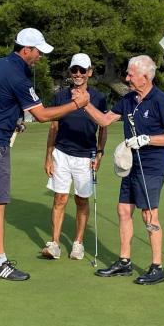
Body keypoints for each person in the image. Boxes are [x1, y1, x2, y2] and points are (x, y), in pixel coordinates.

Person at [0, 28, 90, 281]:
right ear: (26, 50)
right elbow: (41, 115)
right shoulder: (18, 76)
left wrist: (12, 117)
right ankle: (0, 263)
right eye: (38, 51)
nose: (40, 56)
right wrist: (76, 105)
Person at [83, 55, 164, 285]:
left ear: (145, 77)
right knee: (122, 210)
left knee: (149, 215)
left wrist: (147, 139)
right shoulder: (128, 99)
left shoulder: (160, 100)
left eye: (130, 74)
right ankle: (124, 261)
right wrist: (84, 104)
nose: (126, 78)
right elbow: (105, 121)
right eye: (127, 74)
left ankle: (157, 267)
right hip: (131, 165)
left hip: (151, 165)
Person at [42, 53, 107, 260]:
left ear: (89, 72)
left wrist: (100, 152)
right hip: (61, 153)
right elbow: (53, 127)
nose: (78, 74)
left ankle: (78, 243)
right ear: (71, 72)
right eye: (74, 70)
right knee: (60, 198)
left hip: (85, 156)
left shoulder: (98, 97)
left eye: (82, 70)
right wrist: (48, 156)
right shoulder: (61, 96)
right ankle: (55, 243)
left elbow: (103, 127)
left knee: (81, 200)